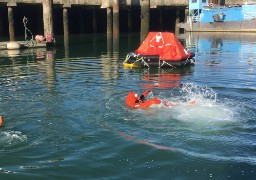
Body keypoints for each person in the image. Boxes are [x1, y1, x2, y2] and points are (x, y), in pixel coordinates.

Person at [126, 90, 196, 109]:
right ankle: (187, 105)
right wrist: (154, 100)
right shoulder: (137, 105)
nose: (139, 98)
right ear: (134, 100)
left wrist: (147, 91)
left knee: (168, 104)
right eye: (137, 98)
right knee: (168, 105)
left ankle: (187, 104)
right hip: (157, 103)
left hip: (157, 103)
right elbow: (145, 103)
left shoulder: (136, 102)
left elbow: (142, 97)